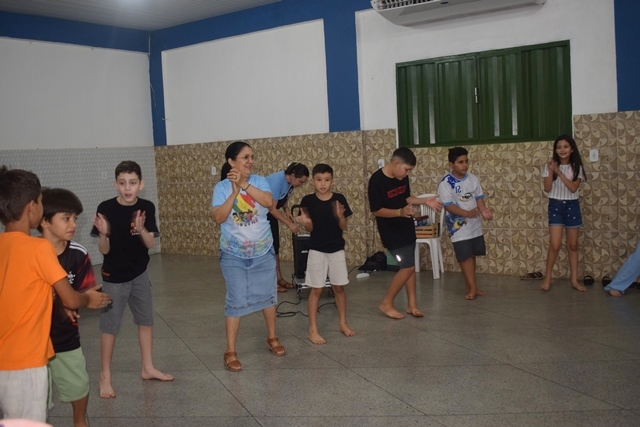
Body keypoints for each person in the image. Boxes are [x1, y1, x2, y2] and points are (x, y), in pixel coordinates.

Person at [0, 166, 110, 423]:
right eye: (40, 201)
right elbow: (71, 298)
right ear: (32, 207)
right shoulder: (39, 249)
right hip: (27, 358)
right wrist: (86, 299)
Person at [91, 160, 173, 399]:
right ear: (115, 184)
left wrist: (141, 228)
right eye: (123, 183)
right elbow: (104, 250)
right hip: (113, 277)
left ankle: (147, 367)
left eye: (133, 183)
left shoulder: (146, 207)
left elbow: (149, 243)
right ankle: (105, 376)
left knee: (145, 321)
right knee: (110, 327)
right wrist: (104, 234)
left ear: (141, 184)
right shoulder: (106, 207)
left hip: (139, 274)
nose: (128, 188)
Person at [212, 141, 285, 372]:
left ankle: (272, 337)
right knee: (235, 300)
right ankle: (230, 351)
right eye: (245, 157)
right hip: (233, 254)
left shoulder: (260, 181)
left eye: (252, 157)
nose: (250, 161)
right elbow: (219, 217)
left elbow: (268, 202)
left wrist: (244, 184)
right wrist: (235, 192)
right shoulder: (221, 188)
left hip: (262, 250)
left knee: (268, 296)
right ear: (231, 161)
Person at [39, 188, 95, 427]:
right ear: (44, 221)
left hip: (66, 337)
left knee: (78, 384)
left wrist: (79, 299)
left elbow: (87, 292)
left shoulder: (78, 254)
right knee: (38, 395)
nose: (73, 224)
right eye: (66, 218)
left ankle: (79, 421)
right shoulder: (31, 252)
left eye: (75, 218)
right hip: (35, 340)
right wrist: (63, 300)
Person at [367, 147, 442, 319]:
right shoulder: (376, 181)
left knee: (409, 266)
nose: (407, 174)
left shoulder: (402, 177)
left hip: (406, 227)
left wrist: (425, 201)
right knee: (407, 267)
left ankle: (412, 305)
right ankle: (386, 303)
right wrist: (399, 212)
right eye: (406, 169)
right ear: (396, 163)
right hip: (391, 231)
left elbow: (406, 198)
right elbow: (376, 210)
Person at [297, 163, 355, 344]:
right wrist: (306, 223)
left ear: (332, 181)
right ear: (312, 182)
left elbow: (343, 227)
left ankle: (343, 323)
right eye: (319, 180)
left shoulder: (339, 199)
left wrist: (340, 216)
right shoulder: (307, 200)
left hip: (336, 249)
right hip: (316, 249)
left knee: (339, 288)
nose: (323, 184)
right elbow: (310, 229)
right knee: (316, 289)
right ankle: (312, 330)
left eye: (327, 180)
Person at [437, 147, 494, 300]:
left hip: (475, 225)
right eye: (460, 162)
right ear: (451, 164)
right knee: (464, 256)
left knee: (472, 254)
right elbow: (449, 206)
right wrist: (467, 214)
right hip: (458, 226)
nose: (465, 165)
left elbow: (479, 199)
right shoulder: (446, 183)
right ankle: (472, 288)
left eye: (466, 161)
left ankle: (471, 286)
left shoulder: (473, 179)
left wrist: (484, 211)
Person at [539, 134, 587, 292]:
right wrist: (551, 171)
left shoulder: (577, 167)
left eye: (566, 146)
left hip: (572, 205)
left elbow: (573, 188)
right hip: (555, 205)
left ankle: (574, 280)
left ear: (572, 149)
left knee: (573, 245)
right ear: (555, 150)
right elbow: (547, 188)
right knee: (555, 244)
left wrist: (559, 172)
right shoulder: (550, 166)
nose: (562, 150)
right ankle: (547, 278)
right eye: (559, 147)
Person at [266, 162, 309, 292]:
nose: (300, 185)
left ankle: (279, 278)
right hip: (262, 216)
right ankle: (271, 283)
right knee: (268, 248)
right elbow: (272, 209)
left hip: (270, 215)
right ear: (293, 175)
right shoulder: (277, 181)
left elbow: (282, 197)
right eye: (300, 182)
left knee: (275, 247)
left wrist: (286, 210)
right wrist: (289, 224)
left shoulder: (289, 182)